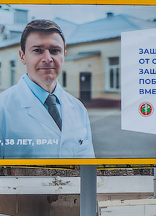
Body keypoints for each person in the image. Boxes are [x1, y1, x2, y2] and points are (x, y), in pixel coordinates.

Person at [0, 19, 95, 159]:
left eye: (55, 51)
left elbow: (88, 170)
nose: (48, 58)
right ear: (22, 56)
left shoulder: (78, 108)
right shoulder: (3, 108)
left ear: (64, 56)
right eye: (38, 50)